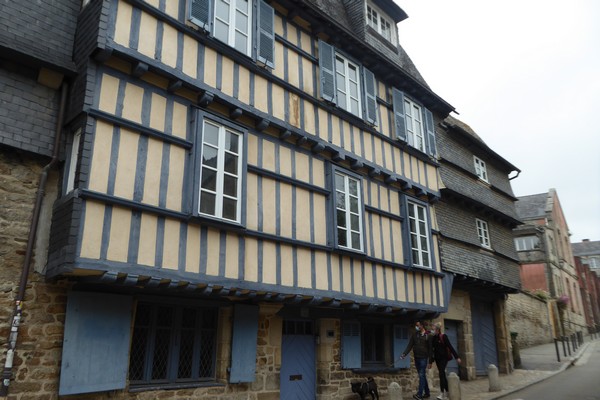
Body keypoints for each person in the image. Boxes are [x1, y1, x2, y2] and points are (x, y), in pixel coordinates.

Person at [400, 321, 433, 400]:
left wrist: (430, 361)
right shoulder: (415, 335)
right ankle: (427, 393)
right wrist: (404, 354)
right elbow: (409, 345)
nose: (416, 327)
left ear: (422, 326)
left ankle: (419, 394)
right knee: (422, 375)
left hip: (424, 358)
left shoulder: (428, 335)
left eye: (418, 325)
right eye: (416, 325)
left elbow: (430, 349)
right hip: (416, 358)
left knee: (421, 375)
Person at [430, 322, 461, 400]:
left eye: (433, 329)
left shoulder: (443, 336)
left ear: (437, 329)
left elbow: (450, 347)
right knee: (442, 374)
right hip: (437, 359)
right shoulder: (433, 338)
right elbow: (432, 350)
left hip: (444, 358)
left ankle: (442, 393)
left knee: (441, 373)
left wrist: (457, 357)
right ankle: (447, 391)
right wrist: (430, 362)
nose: (432, 330)